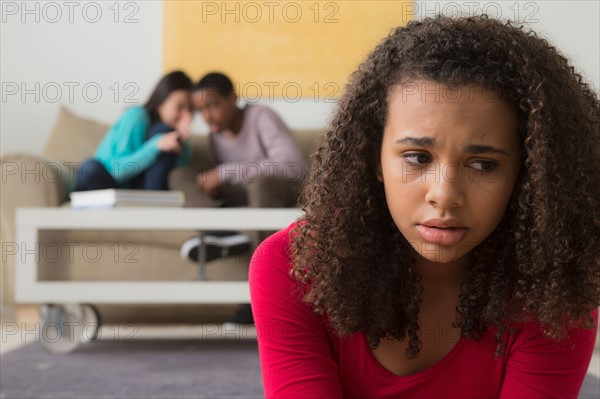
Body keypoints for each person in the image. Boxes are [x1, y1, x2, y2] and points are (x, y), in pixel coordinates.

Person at [249, 15, 599, 398]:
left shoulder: (554, 291)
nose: (444, 194)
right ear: (373, 159)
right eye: (417, 157)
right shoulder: (294, 266)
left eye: (484, 164)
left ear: (528, 173)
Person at [171, 72, 308, 324]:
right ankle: (222, 234)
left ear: (232, 99)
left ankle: (263, 292)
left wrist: (225, 173)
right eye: (201, 110)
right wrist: (212, 187)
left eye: (213, 106)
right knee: (180, 176)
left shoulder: (261, 117)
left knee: (260, 182)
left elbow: (293, 166)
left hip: (279, 190)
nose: (208, 116)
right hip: (245, 194)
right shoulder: (216, 134)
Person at [75, 71, 193, 191]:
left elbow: (171, 178)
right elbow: (118, 172)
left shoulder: (166, 133)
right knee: (90, 168)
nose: (187, 116)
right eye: (179, 107)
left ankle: (151, 206)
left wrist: (180, 142)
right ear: (160, 102)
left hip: (134, 191)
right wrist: (155, 146)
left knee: (166, 134)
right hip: (106, 178)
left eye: (191, 110)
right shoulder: (137, 116)